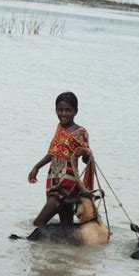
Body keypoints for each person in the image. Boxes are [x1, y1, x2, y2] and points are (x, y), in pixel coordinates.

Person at [27, 92, 92, 226]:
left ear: (75, 111)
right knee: (66, 226)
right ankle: (66, 247)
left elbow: (87, 160)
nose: (64, 113)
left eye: (68, 110)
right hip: (53, 178)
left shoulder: (81, 132)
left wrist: (86, 152)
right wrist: (37, 167)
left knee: (39, 223)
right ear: (56, 110)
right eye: (60, 110)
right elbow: (53, 153)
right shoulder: (60, 127)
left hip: (67, 184)